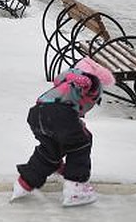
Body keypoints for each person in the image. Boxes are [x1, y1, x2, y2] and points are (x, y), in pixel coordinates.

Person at [11, 57, 115, 207]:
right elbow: (82, 81)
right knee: (82, 142)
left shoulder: (64, 90)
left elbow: (65, 93)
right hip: (57, 114)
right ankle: (76, 188)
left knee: (50, 150)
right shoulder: (89, 80)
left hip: (36, 114)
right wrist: (85, 80)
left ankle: (24, 184)